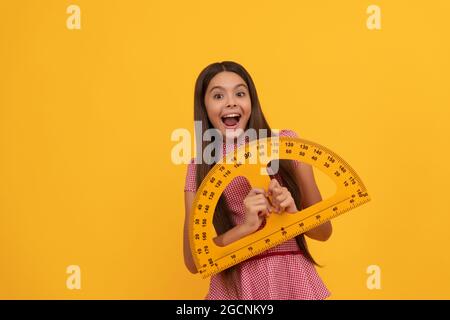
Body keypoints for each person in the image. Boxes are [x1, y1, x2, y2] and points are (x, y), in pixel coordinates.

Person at [183, 61, 332, 300]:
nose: (231, 101)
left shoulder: (286, 145)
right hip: (236, 283)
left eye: (240, 93)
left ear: (251, 102)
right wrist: (245, 228)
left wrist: (295, 213)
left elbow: (324, 232)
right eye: (218, 95)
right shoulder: (199, 167)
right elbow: (193, 261)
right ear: (204, 106)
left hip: (290, 277)